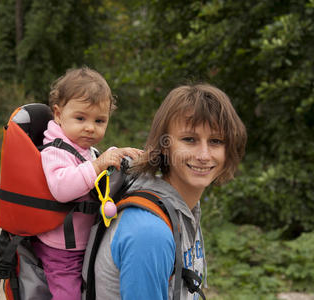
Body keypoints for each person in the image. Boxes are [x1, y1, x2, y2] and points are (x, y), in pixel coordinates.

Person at [92, 83, 247, 299]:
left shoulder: (180, 208)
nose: (204, 155)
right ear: (165, 145)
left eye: (216, 141)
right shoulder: (149, 231)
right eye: (189, 139)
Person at [32, 67, 142, 300]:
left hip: (83, 242)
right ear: (58, 114)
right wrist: (98, 165)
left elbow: (96, 172)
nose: (90, 127)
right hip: (60, 248)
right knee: (68, 295)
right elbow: (62, 189)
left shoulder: (85, 149)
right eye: (80, 118)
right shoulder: (55, 150)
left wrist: (116, 154)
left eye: (99, 120)